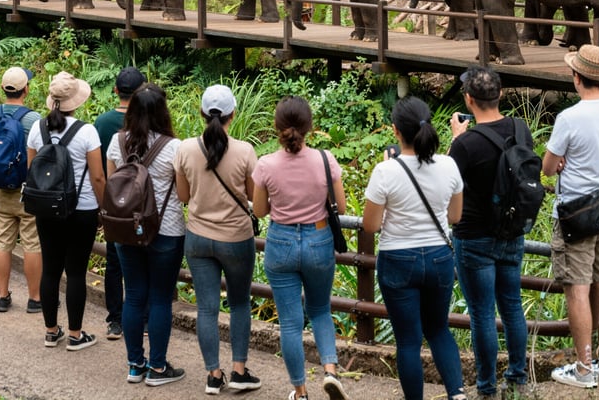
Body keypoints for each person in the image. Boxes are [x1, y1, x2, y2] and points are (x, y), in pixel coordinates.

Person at [363, 96, 465, 400]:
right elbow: (455, 217)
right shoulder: (448, 165)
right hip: (438, 258)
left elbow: (371, 225)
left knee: (408, 340)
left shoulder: (386, 171)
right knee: (438, 330)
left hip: (398, 258)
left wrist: (387, 167)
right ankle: (457, 394)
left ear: (396, 131)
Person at [252, 96, 349, 400]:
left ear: (277, 127)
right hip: (319, 240)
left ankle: (300, 391)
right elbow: (341, 206)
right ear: (310, 127)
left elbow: (259, 210)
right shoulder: (325, 160)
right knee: (320, 310)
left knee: (290, 323)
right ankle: (331, 371)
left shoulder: (266, 164)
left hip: (281, 242)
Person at [542, 45, 599, 388]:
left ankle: (582, 368)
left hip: (578, 213)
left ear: (577, 77)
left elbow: (548, 167)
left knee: (577, 289)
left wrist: (561, 162)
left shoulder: (569, 118)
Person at [448, 66, 531, 398]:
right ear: (501, 94)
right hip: (513, 230)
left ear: (469, 100)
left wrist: (457, 139)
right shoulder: (521, 129)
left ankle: (486, 387)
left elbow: (448, 185)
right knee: (511, 305)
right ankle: (518, 378)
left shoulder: (465, 143)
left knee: (482, 312)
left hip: (473, 237)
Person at [175, 84, 261, 395]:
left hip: (198, 238)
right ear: (232, 114)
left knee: (207, 309)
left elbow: (183, 196)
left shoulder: (184, 149)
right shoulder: (245, 151)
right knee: (239, 305)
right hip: (236, 238)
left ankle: (213, 375)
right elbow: (254, 198)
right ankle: (239, 370)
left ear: (202, 113)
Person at [106, 83, 185, 386]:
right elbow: (182, 192)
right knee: (161, 298)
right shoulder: (173, 147)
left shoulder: (117, 142)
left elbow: (113, 184)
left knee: (134, 294)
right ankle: (159, 368)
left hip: (126, 229)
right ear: (163, 112)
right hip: (166, 230)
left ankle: (135, 365)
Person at [27, 71, 105, 351]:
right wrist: (103, 208)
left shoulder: (38, 128)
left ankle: (51, 331)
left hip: (46, 208)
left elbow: (32, 170)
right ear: (76, 101)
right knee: (75, 272)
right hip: (81, 209)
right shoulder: (87, 131)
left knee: (50, 269)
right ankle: (75, 334)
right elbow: (97, 177)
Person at [93, 66, 146, 340]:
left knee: (114, 262)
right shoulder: (148, 125)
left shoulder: (101, 124)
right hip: (143, 206)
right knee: (143, 261)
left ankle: (115, 320)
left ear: (116, 91)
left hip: (114, 203)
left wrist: (104, 205)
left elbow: (99, 171)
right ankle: (144, 319)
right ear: (142, 93)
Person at [0, 67, 42, 314]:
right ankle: (34, 298)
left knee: (2, 242)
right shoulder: (33, 119)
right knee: (32, 243)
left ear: (2, 89)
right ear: (26, 89)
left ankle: (2, 295)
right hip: (26, 190)